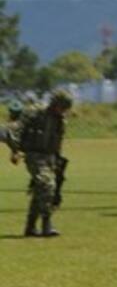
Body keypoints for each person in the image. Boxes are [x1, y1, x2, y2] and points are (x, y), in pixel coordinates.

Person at [6, 89, 71, 237]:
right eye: (61, 107)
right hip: (33, 154)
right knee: (47, 184)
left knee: (39, 190)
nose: (63, 111)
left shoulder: (61, 120)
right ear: (54, 103)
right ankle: (47, 224)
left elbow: (58, 142)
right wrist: (15, 151)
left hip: (50, 157)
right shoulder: (34, 113)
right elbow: (17, 130)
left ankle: (30, 227)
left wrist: (58, 162)